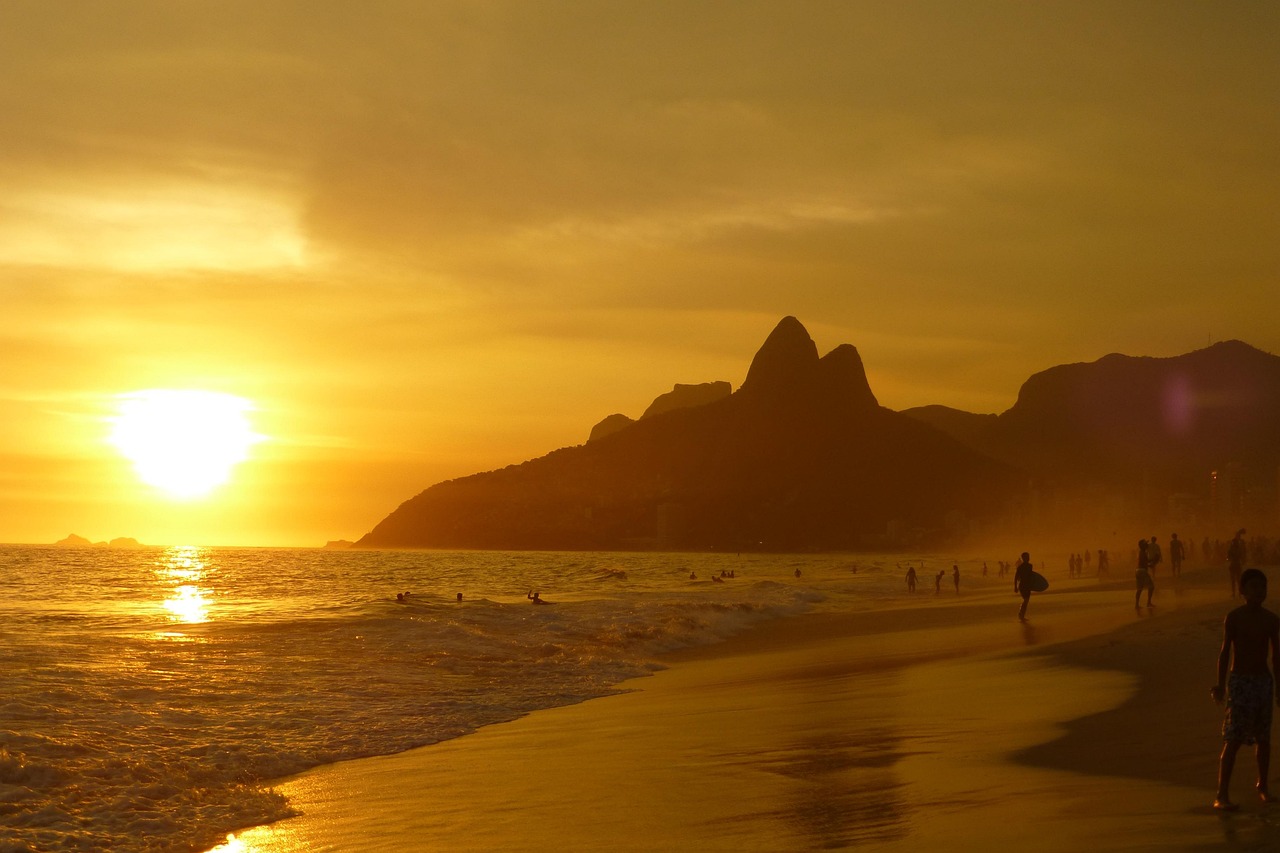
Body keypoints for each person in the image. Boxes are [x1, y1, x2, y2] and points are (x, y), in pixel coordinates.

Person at [1211, 568, 1280, 811]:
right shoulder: (1234, 617)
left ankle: (1263, 785)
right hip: (1240, 682)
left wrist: (1278, 687)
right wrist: (1220, 684)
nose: (1259, 592)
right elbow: (1224, 652)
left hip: (1263, 681)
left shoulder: (1271, 620)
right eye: (1253, 587)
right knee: (1234, 737)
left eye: (1262, 587)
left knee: (1264, 737)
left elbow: (1276, 656)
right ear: (1242, 591)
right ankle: (1222, 793)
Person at [1013, 552, 1034, 622]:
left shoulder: (1030, 566)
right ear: (1023, 558)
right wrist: (1015, 587)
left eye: (1028, 556)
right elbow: (1016, 577)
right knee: (1026, 600)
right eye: (1027, 557)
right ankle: (1021, 615)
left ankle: (1022, 615)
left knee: (1026, 600)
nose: (1028, 558)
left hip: (1028, 585)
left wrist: (1033, 585)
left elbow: (1031, 576)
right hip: (1022, 585)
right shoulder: (1020, 567)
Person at [1228, 530, 1248, 599]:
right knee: (1237, 579)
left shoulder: (1236, 547)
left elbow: (1228, 556)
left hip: (1234, 564)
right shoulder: (1239, 547)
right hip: (1236, 564)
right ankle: (1237, 593)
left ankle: (1236, 593)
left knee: (1235, 579)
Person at [1135, 539, 1154, 608]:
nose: (1147, 545)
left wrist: (1152, 561)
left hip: (1138, 571)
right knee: (1151, 587)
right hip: (1142, 571)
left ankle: (1136, 605)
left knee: (1139, 588)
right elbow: (1145, 562)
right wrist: (1151, 564)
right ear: (1142, 546)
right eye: (1145, 544)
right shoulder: (1143, 552)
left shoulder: (1141, 552)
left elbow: (1145, 561)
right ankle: (1148, 603)